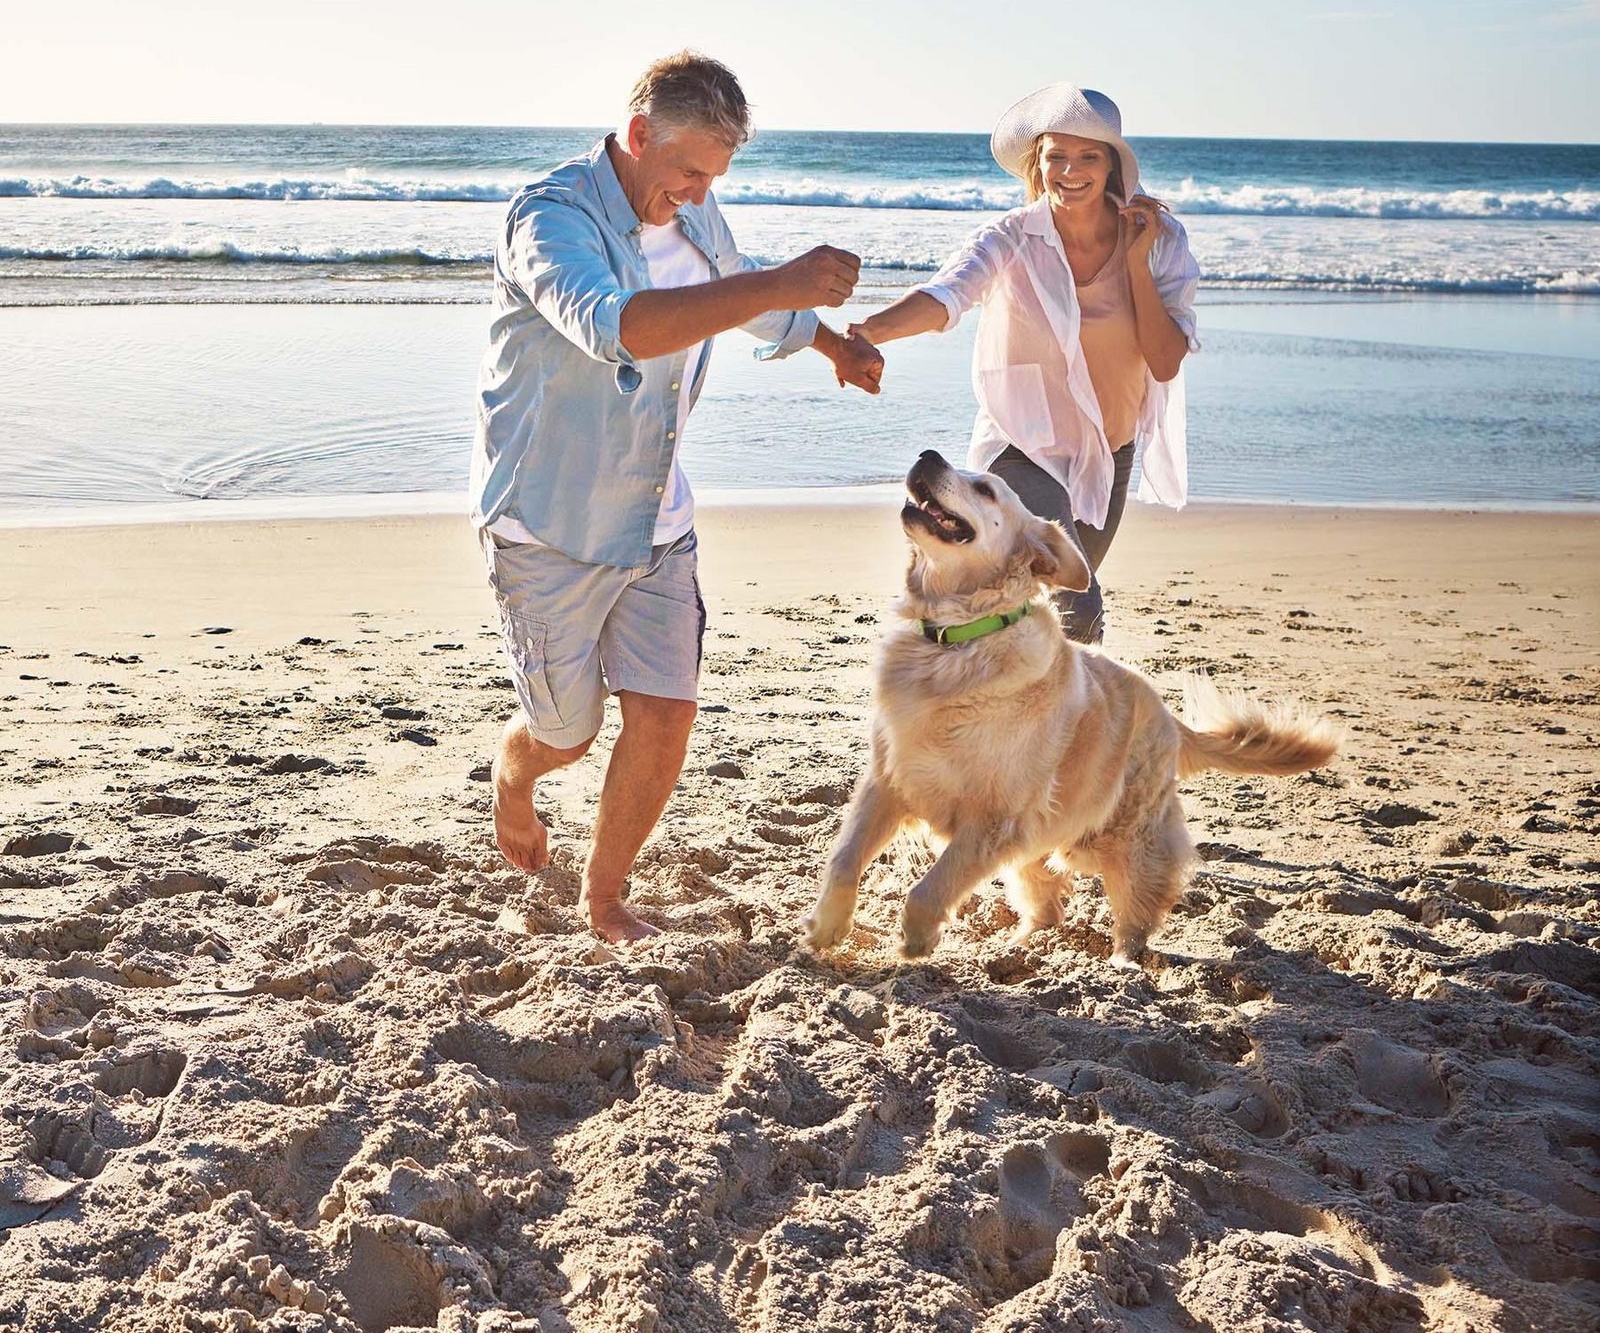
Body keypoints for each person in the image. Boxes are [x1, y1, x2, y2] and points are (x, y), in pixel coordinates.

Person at [470, 51, 884, 942]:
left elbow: (740, 301)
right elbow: (618, 328)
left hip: (657, 514)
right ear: (636, 136)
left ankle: (604, 897)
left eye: (716, 176)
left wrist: (828, 343)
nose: (699, 193)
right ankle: (516, 767)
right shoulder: (550, 221)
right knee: (567, 736)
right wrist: (778, 283)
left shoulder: (694, 213)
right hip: (550, 523)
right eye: (689, 171)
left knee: (666, 716)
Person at [847, 83, 1199, 643]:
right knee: (1075, 607)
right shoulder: (1010, 238)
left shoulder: (1160, 243)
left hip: (1110, 451)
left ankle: (1013, 711)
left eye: (1088, 156)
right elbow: (947, 295)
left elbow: (1164, 361)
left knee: (1042, 612)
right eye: (1056, 155)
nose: (1070, 171)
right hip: (1024, 446)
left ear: (1112, 165)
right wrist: (869, 332)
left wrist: (1135, 262)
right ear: (1038, 162)